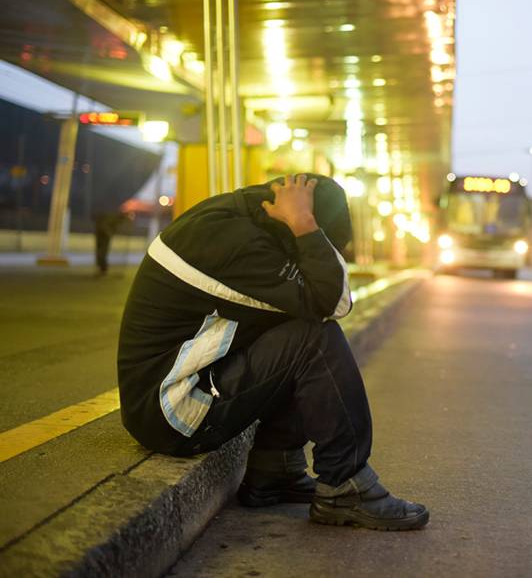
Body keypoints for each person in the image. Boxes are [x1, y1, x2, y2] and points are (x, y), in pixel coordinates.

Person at [117, 173, 428, 531]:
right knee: (314, 337)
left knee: (293, 329)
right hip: (172, 411)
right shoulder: (235, 244)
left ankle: (275, 470)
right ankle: (345, 484)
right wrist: (306, 224)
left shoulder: (238, 222)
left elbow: (321, 298)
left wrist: (303, 227)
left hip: (172, 395)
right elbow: (334, 302)